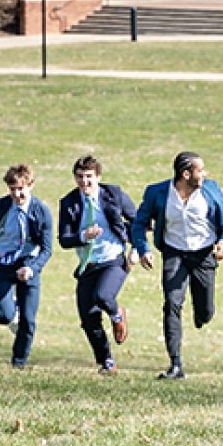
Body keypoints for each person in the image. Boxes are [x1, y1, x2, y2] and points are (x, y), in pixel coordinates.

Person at [130, 151, 223, 380]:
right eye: (200, 170)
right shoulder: (157, 193)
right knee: (172, 303)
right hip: (174, 253)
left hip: (203, 255)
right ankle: (175, 364)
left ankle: (202, 315)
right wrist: (143, 250)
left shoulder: (210, 189)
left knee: (206, 311)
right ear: (186, 173)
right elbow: (139, 223)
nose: (205, 174)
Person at [0, 164, 54, 369]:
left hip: (28, 264)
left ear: (31, 185)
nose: (17, 194)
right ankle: (11, 307)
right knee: (4, 315)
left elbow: (47, 249)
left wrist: (32, 268)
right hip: (3, 264)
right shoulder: (0, 207)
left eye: (21, 189)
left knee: (28, 321)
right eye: (12, 189)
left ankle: (19, 363)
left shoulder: (41, 211)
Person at [57, 156, 137, 374]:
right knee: (88, 319)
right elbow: (64, 239)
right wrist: (83, 235)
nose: (85, 182)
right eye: (80, 177)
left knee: (103, 296)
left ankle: (117, 315)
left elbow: (138, 223)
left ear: (98, 177)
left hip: (114, 261)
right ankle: (107, 362)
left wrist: (137, 250)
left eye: (89, 177)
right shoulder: (69, 202)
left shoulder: (114, 194)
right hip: (88, 265)